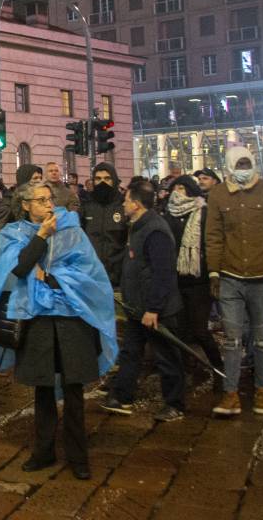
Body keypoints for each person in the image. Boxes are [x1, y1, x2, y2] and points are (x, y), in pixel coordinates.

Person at [0, 181, 117, 480]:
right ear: (26, 205)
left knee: (74, 388)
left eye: (50, 199)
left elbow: (86, 270)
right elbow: (18, 268)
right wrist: (42, 237)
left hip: (72, 317)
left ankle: (77, 456)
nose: (49, 205)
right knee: (42, 388)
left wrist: (53, 277)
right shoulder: (14, 233)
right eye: (41, 200)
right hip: (37, 319)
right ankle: (43, 451)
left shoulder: (71, 230)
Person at [207, 146, 263, 417]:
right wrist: (214, 273)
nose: (244, 168)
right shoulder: (219, 194)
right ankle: (230, 394)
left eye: (247, 163)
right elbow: (214, 236)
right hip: (230, 277)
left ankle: (262, 391)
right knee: (231, 339)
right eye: (239, 163)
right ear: (230, 165)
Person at [102, 180, 187, 422]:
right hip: (136, 307)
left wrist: (154, 308)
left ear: (137, 204)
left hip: (155, 309)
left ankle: (175, 403)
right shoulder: (137, 226)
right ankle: (122, 396)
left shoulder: (155, 230)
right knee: (130, 352)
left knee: (166, 356)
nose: (123, 204)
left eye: (126, 200)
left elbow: (163, 273)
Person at [161, 175, 224, 391]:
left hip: (199, 280)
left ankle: (219, 368)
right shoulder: (167, 213)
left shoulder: (203, 212)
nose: (179, 191)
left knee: (199, 329)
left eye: (183, 187)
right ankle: (186, 369)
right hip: (176, 280)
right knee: (180, 329)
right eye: (175, 188)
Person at [79, 162, 128, 285]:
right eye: (98, 179)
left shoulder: (124, 206)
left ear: (114, 180)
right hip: (91, 274)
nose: (102, 183)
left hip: (118, 275)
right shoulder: (86, 206)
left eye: (107, 178)